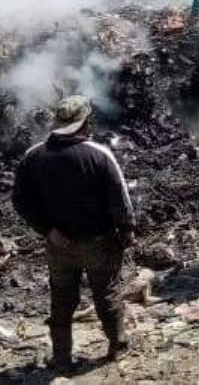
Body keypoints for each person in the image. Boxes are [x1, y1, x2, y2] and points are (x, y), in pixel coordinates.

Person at [12, 95, 135, 369]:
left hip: (59, 245)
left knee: (62, 299)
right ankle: (118, 345)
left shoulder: (34, 155)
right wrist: (127, 231)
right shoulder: (98, 154)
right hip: (99, 242)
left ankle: (62, 358)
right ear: (84, 123)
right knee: (107, 294)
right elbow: (121, 199)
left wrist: (47, 230)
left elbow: (20, 199)